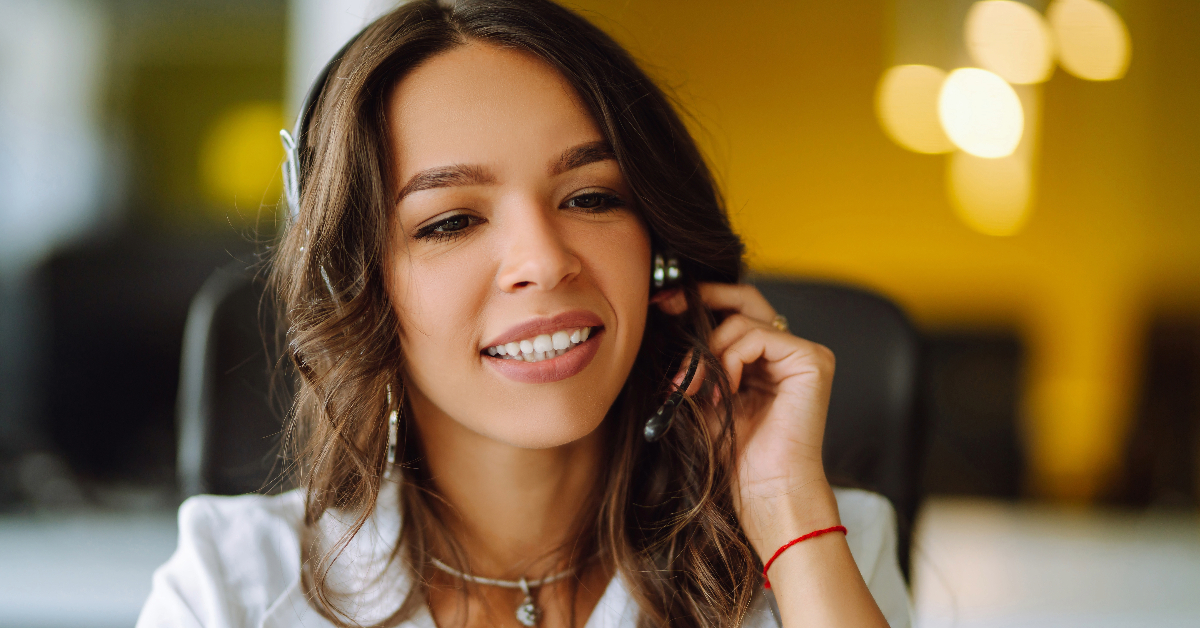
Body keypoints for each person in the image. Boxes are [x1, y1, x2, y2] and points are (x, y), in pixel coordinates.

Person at [138, 1, 912, 626]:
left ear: (661, 257)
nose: (544, 260)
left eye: (592, 198)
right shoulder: (232, 585)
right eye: (450, 221)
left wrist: (787, 516)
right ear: (358, 288)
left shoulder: (823, 543)